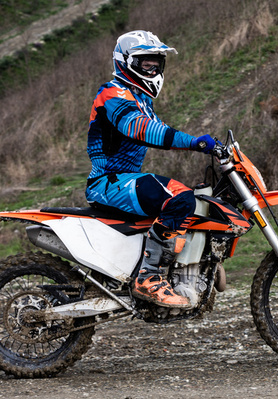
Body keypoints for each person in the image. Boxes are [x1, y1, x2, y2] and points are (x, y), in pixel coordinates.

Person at [85, 30, 216, 309]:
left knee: (193, 198)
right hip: (108, 181)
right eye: (146, 63)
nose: (154, 69)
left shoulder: (141, 98)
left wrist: (207, 147)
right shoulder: (113, 94)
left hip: (123, 179)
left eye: (157, 63)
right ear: (126, 62)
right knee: (179, 197)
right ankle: (148, 277)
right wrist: (194, 142)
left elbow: (160, 133)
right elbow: (144, 130)